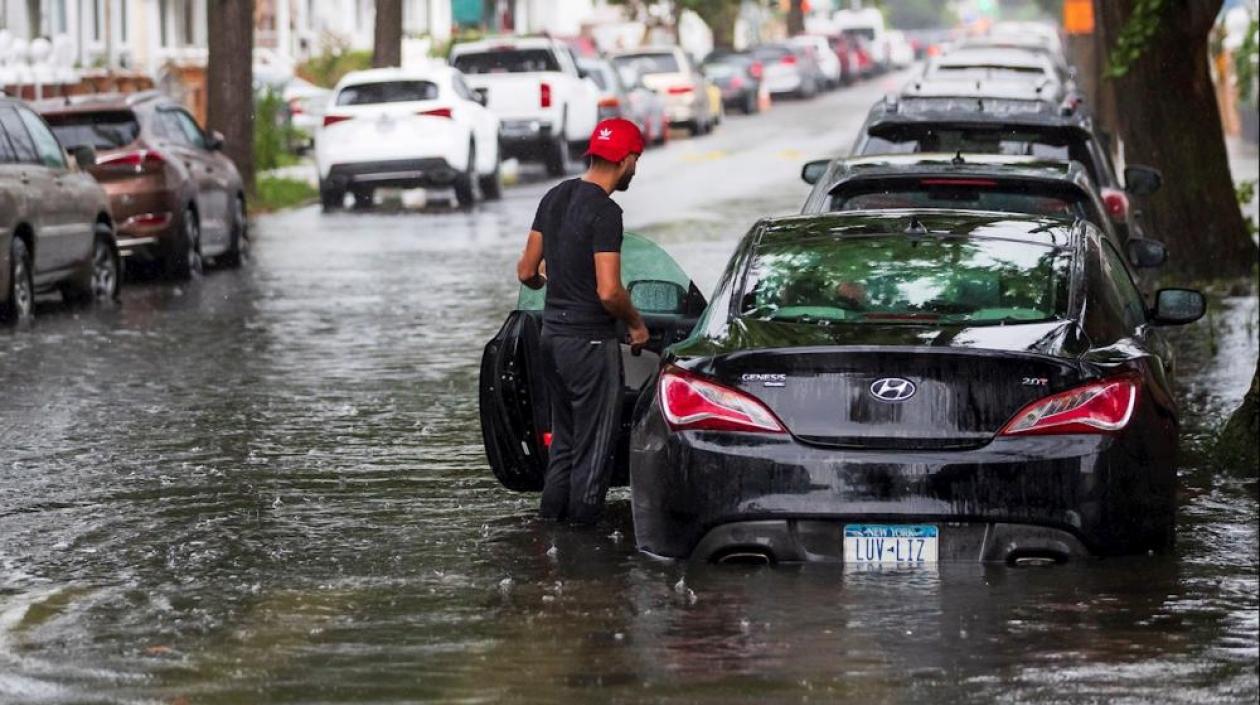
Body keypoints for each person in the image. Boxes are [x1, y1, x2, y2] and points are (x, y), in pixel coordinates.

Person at [516, 118, 649, 524]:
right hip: (589, 344)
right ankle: (582, 545)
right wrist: (636, 324)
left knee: (564, 446)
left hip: (552, 338)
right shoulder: (606, 212)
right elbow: (609, 291)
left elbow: (526, 271)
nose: (635, 168)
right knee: (593, 451)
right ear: (625, 160)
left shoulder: (554, 196)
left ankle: (549, 531)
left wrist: (553, 280)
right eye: (636, 160)